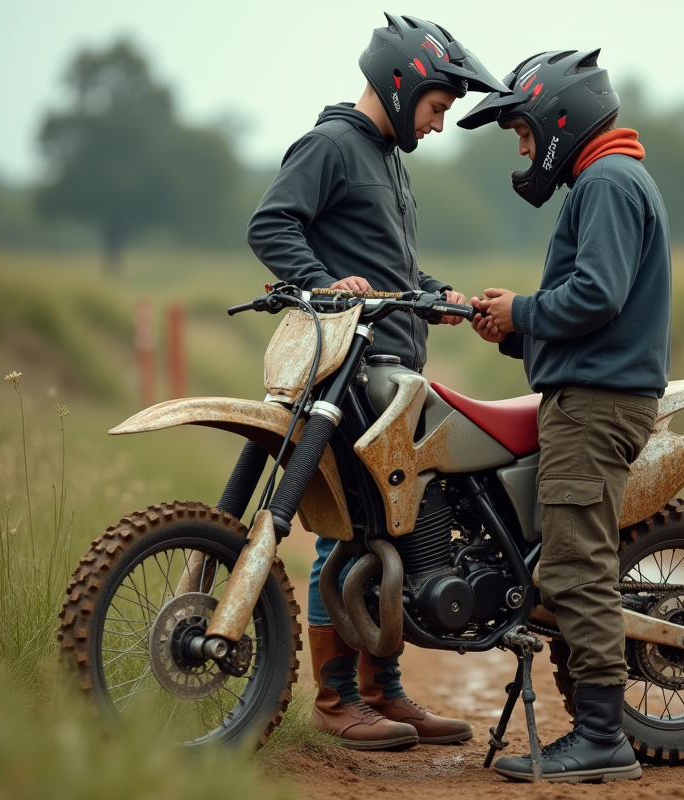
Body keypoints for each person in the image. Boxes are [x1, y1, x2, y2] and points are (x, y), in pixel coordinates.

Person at [246, 13, 508, 751]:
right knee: (347, 533)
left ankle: (382, 693)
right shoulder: (332, 145)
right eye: (436, 107)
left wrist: (437, 296)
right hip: (348, 378)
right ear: (401, 86)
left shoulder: (389, 158)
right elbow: (272, 226)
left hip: (394, 375)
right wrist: (326, 285)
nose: (439, 123)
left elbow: (389, 271)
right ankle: (334, 702)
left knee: (394, 527)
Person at [458, 49, 672, 783]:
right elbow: (589, 307)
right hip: (589, 394)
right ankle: (593, 723)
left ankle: (602, 738)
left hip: (597, 404)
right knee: (566, 557)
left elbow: (598, 295)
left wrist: (521, 308)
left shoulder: (607, 182)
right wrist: (514, 327)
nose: (522, 148)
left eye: (522, 130)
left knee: (579, 567)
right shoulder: (605, 178)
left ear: (557, 118)